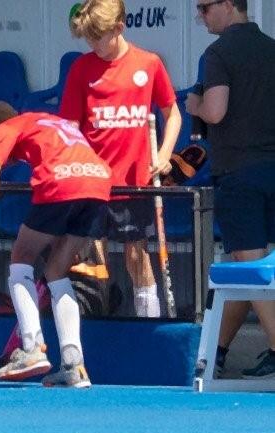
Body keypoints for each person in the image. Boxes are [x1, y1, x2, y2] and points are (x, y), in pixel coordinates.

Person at [0, 101, 111, 387]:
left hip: (62, 182)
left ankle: (31, 347)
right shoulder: (48, 121)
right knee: (56, 271)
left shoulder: (5, 128)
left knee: (21, 259)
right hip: (98, 184)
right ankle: (74, 364)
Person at [60, 0, 181, 320]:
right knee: (96, 265)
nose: (92, 46)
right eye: (88, 39)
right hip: (92, 184)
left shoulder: (149, 63)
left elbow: (173, 114)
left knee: (137, 257)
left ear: (119, 27)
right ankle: (98, 327)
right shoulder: (81, 68)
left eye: (98, 37)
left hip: (135, 183)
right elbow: (68, 128)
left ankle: (147, 329)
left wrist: (166, 153)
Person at [186, 0, 275, 379]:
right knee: (245, 268)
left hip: (240, 173)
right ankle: (215, 353)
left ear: (227, 5)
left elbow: (216, 111)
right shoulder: (271, 48)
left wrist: (196, 103)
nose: (200, 16)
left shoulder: (218, 52)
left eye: (205, 8)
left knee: (253, 269)